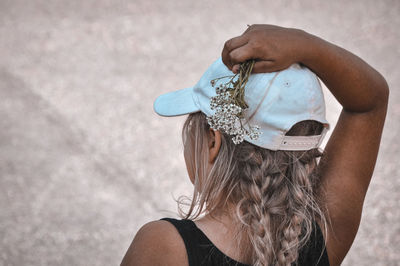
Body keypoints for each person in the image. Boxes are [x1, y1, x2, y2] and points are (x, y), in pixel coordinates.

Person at [121, 24, 389, 266]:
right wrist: (304, 43)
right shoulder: (324, 234)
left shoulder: (164, 246)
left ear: (213, 142)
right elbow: (370, 102)